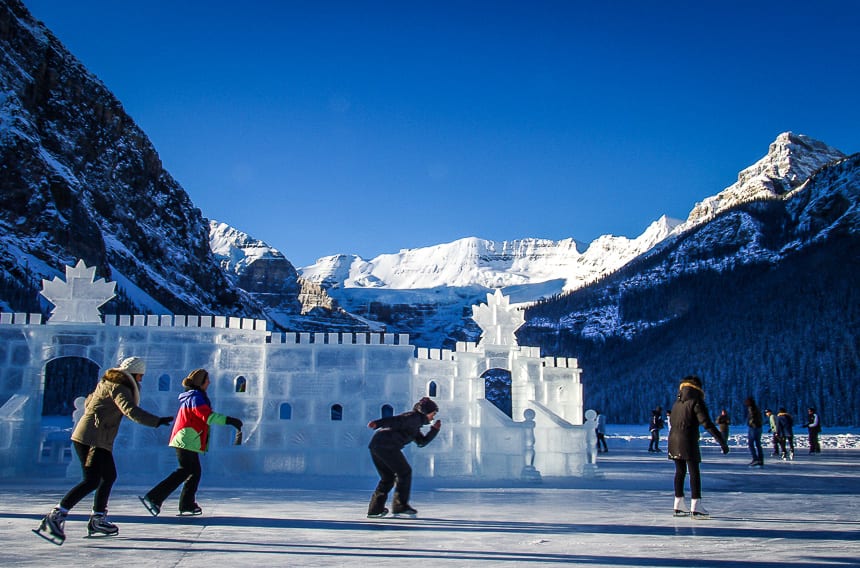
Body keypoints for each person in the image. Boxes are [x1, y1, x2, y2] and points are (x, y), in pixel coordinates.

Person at [34, 357, 173, 545]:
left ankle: (97, 519)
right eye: (140, 376)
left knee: (108, 476)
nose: (141, 380)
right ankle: (56, 516)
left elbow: (89, 402)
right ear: (134, 374)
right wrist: (156, 421)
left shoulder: (107, 383)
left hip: (97, 438)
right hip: (92, 439)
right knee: (91, 480)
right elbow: (130, 410)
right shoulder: (119, 388)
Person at [139, 368, 243, 517]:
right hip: (187, 439)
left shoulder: (195, 396)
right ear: (200, 382)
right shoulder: (195, 397)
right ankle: (154, 497)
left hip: (188, 439)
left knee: (193, 472)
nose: (209, 383)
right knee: (185, 470)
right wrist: (230, 420)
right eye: (207, 380)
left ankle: (186, 504)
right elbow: (207, 417)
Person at [367, 397, 441, 518]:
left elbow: (421, 442)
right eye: (433, 414)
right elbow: (396, 420)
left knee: (388, 478)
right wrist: (378, 423)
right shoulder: (413, 417)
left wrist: (434, 430)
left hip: (376, 446)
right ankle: (400, 506)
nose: (433, 417)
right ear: (426, 412)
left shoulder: (415, 425)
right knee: (404, 472)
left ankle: (375, 510)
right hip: (387, 446)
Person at [667, 375, 729, 519]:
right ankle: (696, 505)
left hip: (673, 440)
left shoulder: (677, 403)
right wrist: (721, 441)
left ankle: (678, 504)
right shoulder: (696, 402)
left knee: (680, 471)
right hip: (687, 440)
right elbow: (706, 423)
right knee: (694, 471)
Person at [744, 397, 764, 467]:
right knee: (758, 444)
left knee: (751, 444)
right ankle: (760, 459)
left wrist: (751, 424)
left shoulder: (751, 408)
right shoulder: (756, 408)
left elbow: (752, 417)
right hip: (759, 427)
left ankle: (755, 459)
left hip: (754, 428)